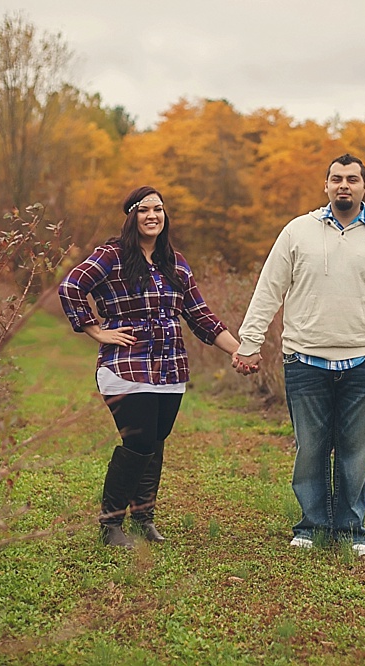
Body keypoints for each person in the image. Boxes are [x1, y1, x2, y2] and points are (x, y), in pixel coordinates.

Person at [235, 154, 365, 558]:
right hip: (305, 360)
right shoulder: (298, 232)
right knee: (311, 447)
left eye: (352, 179)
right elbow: (269, 289)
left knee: (356, 449)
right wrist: (250, 341)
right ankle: (311, 525)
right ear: (326, 186)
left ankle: (353, 532)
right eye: (337, 179)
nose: (344, 185)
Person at [58, 186, 251, 549]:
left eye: (158, 210)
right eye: (144, 210)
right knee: (139, 441)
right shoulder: (112, 255)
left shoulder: (174, 262)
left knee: (155, 443)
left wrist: (238, 351)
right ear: (131, 216)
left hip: (169, 368)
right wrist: (97, 330)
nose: (152, 216)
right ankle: (111, 525)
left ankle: (143, 518)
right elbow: (71, 286)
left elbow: (200, 316)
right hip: (126, 366)